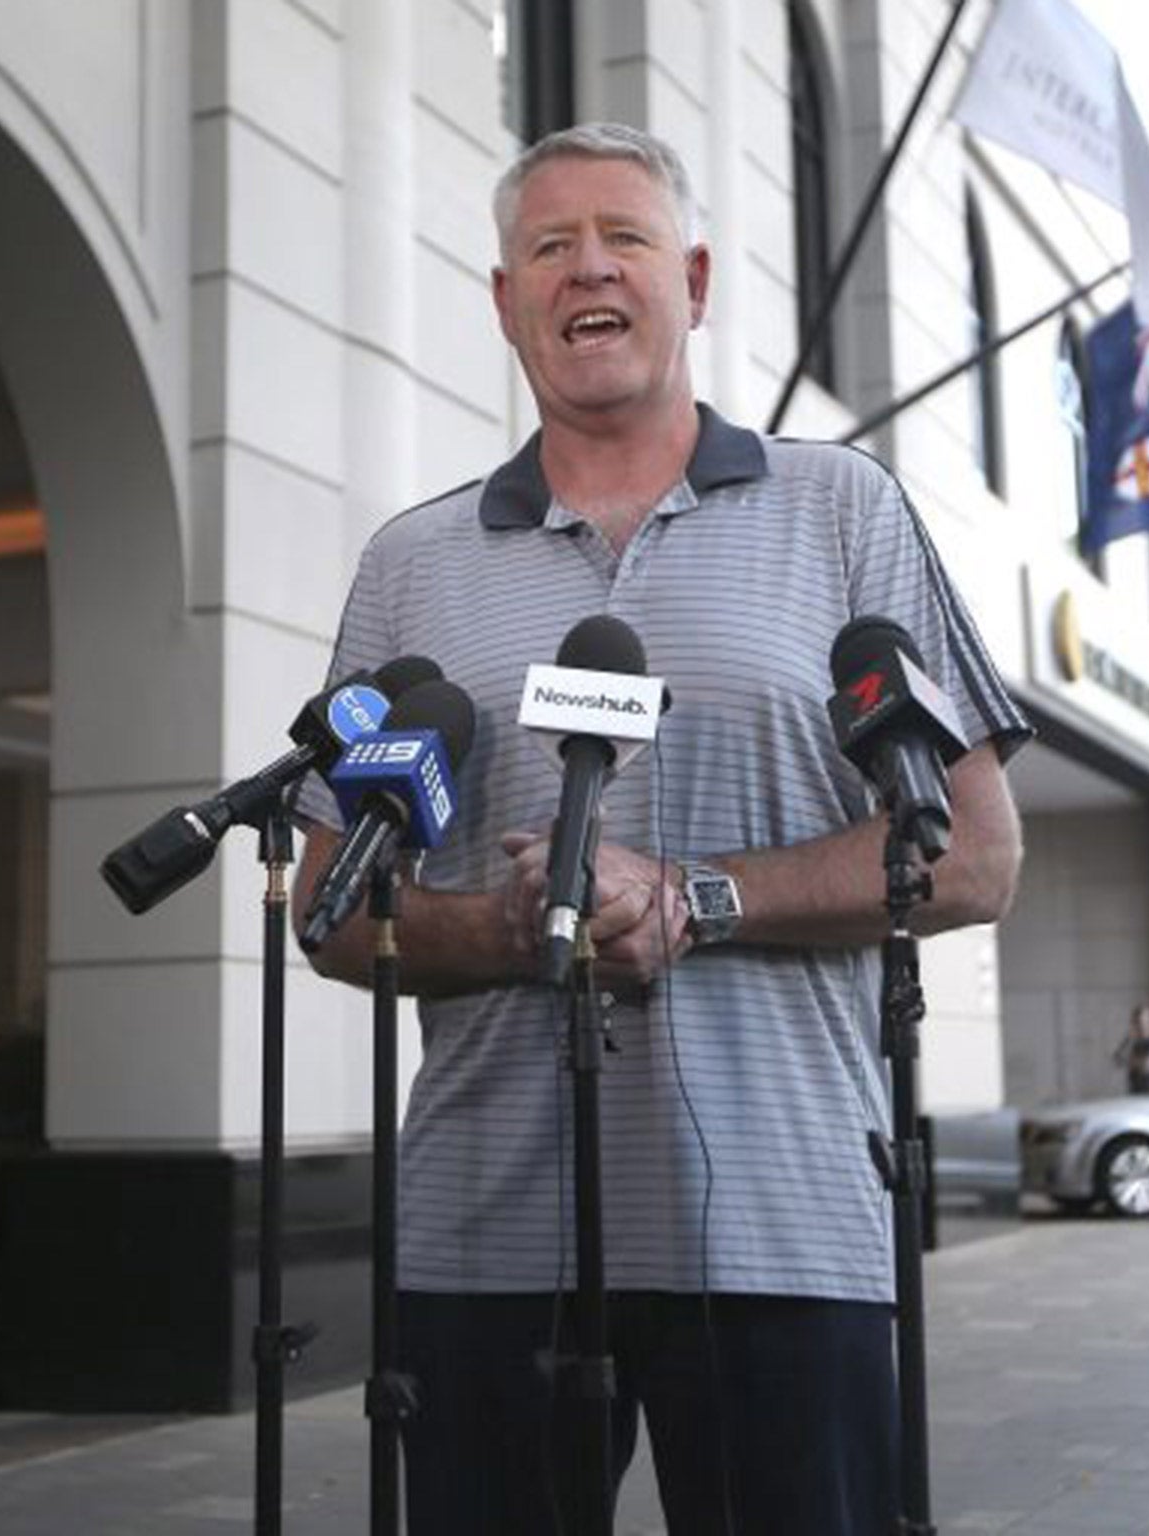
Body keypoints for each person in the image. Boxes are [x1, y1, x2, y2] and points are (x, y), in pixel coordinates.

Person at [294, 123, 1028, 1536]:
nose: (590, 270)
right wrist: (506, 932)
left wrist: (694, 897)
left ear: (692, 278)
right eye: (550, 247)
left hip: (787, 1222)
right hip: (485, 1229)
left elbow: (979, 856)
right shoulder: (410, 563)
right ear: (505, 301)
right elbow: (328, 900)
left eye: (623, 237)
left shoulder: (844, 509)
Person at [1112, 1003, 1149, 1094]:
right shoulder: (1134, 1040)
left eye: (1144, 1021)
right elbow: (1117, 1060)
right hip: (1136, 1091)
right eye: (1137, 1022)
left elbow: (1146, 1067)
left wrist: (1130, 1062)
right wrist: (1129, 1041)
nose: (1141, 1025)